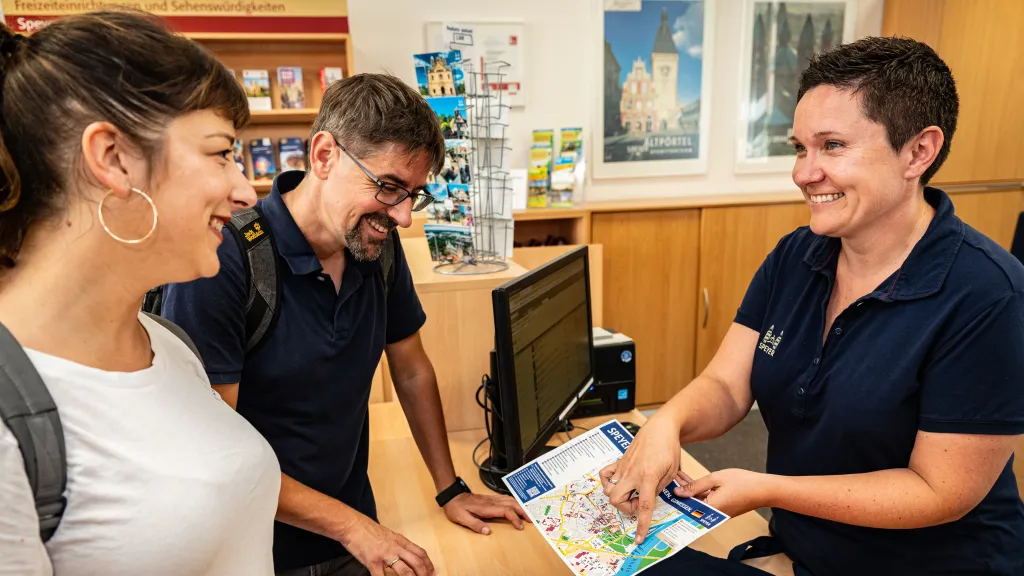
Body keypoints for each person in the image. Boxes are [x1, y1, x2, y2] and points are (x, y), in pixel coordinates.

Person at [601, 36, 1024, 576]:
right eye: (800, 147)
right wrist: (666, 425)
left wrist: (766, 488)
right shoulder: (796, 255)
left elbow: (939, 491)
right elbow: (728, 386)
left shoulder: (988, 295)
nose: (804, 173)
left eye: (832, 146)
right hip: (805, 550)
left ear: (919, 151)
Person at [161, 73, 527, 576]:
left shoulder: (374, 245)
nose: (404, 218)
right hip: (257, 551)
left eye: (413, 195)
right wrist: (354, 528)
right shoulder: (225, 261)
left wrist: (449, 488)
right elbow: (215, 452)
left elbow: (412, 368)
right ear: (324, 155)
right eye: (389, 186)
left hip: (354, 532)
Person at [0, 10, 279, 576]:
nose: (246, 190)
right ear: (113, 158)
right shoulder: (13, 421)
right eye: (221, 153)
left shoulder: (166, 341)